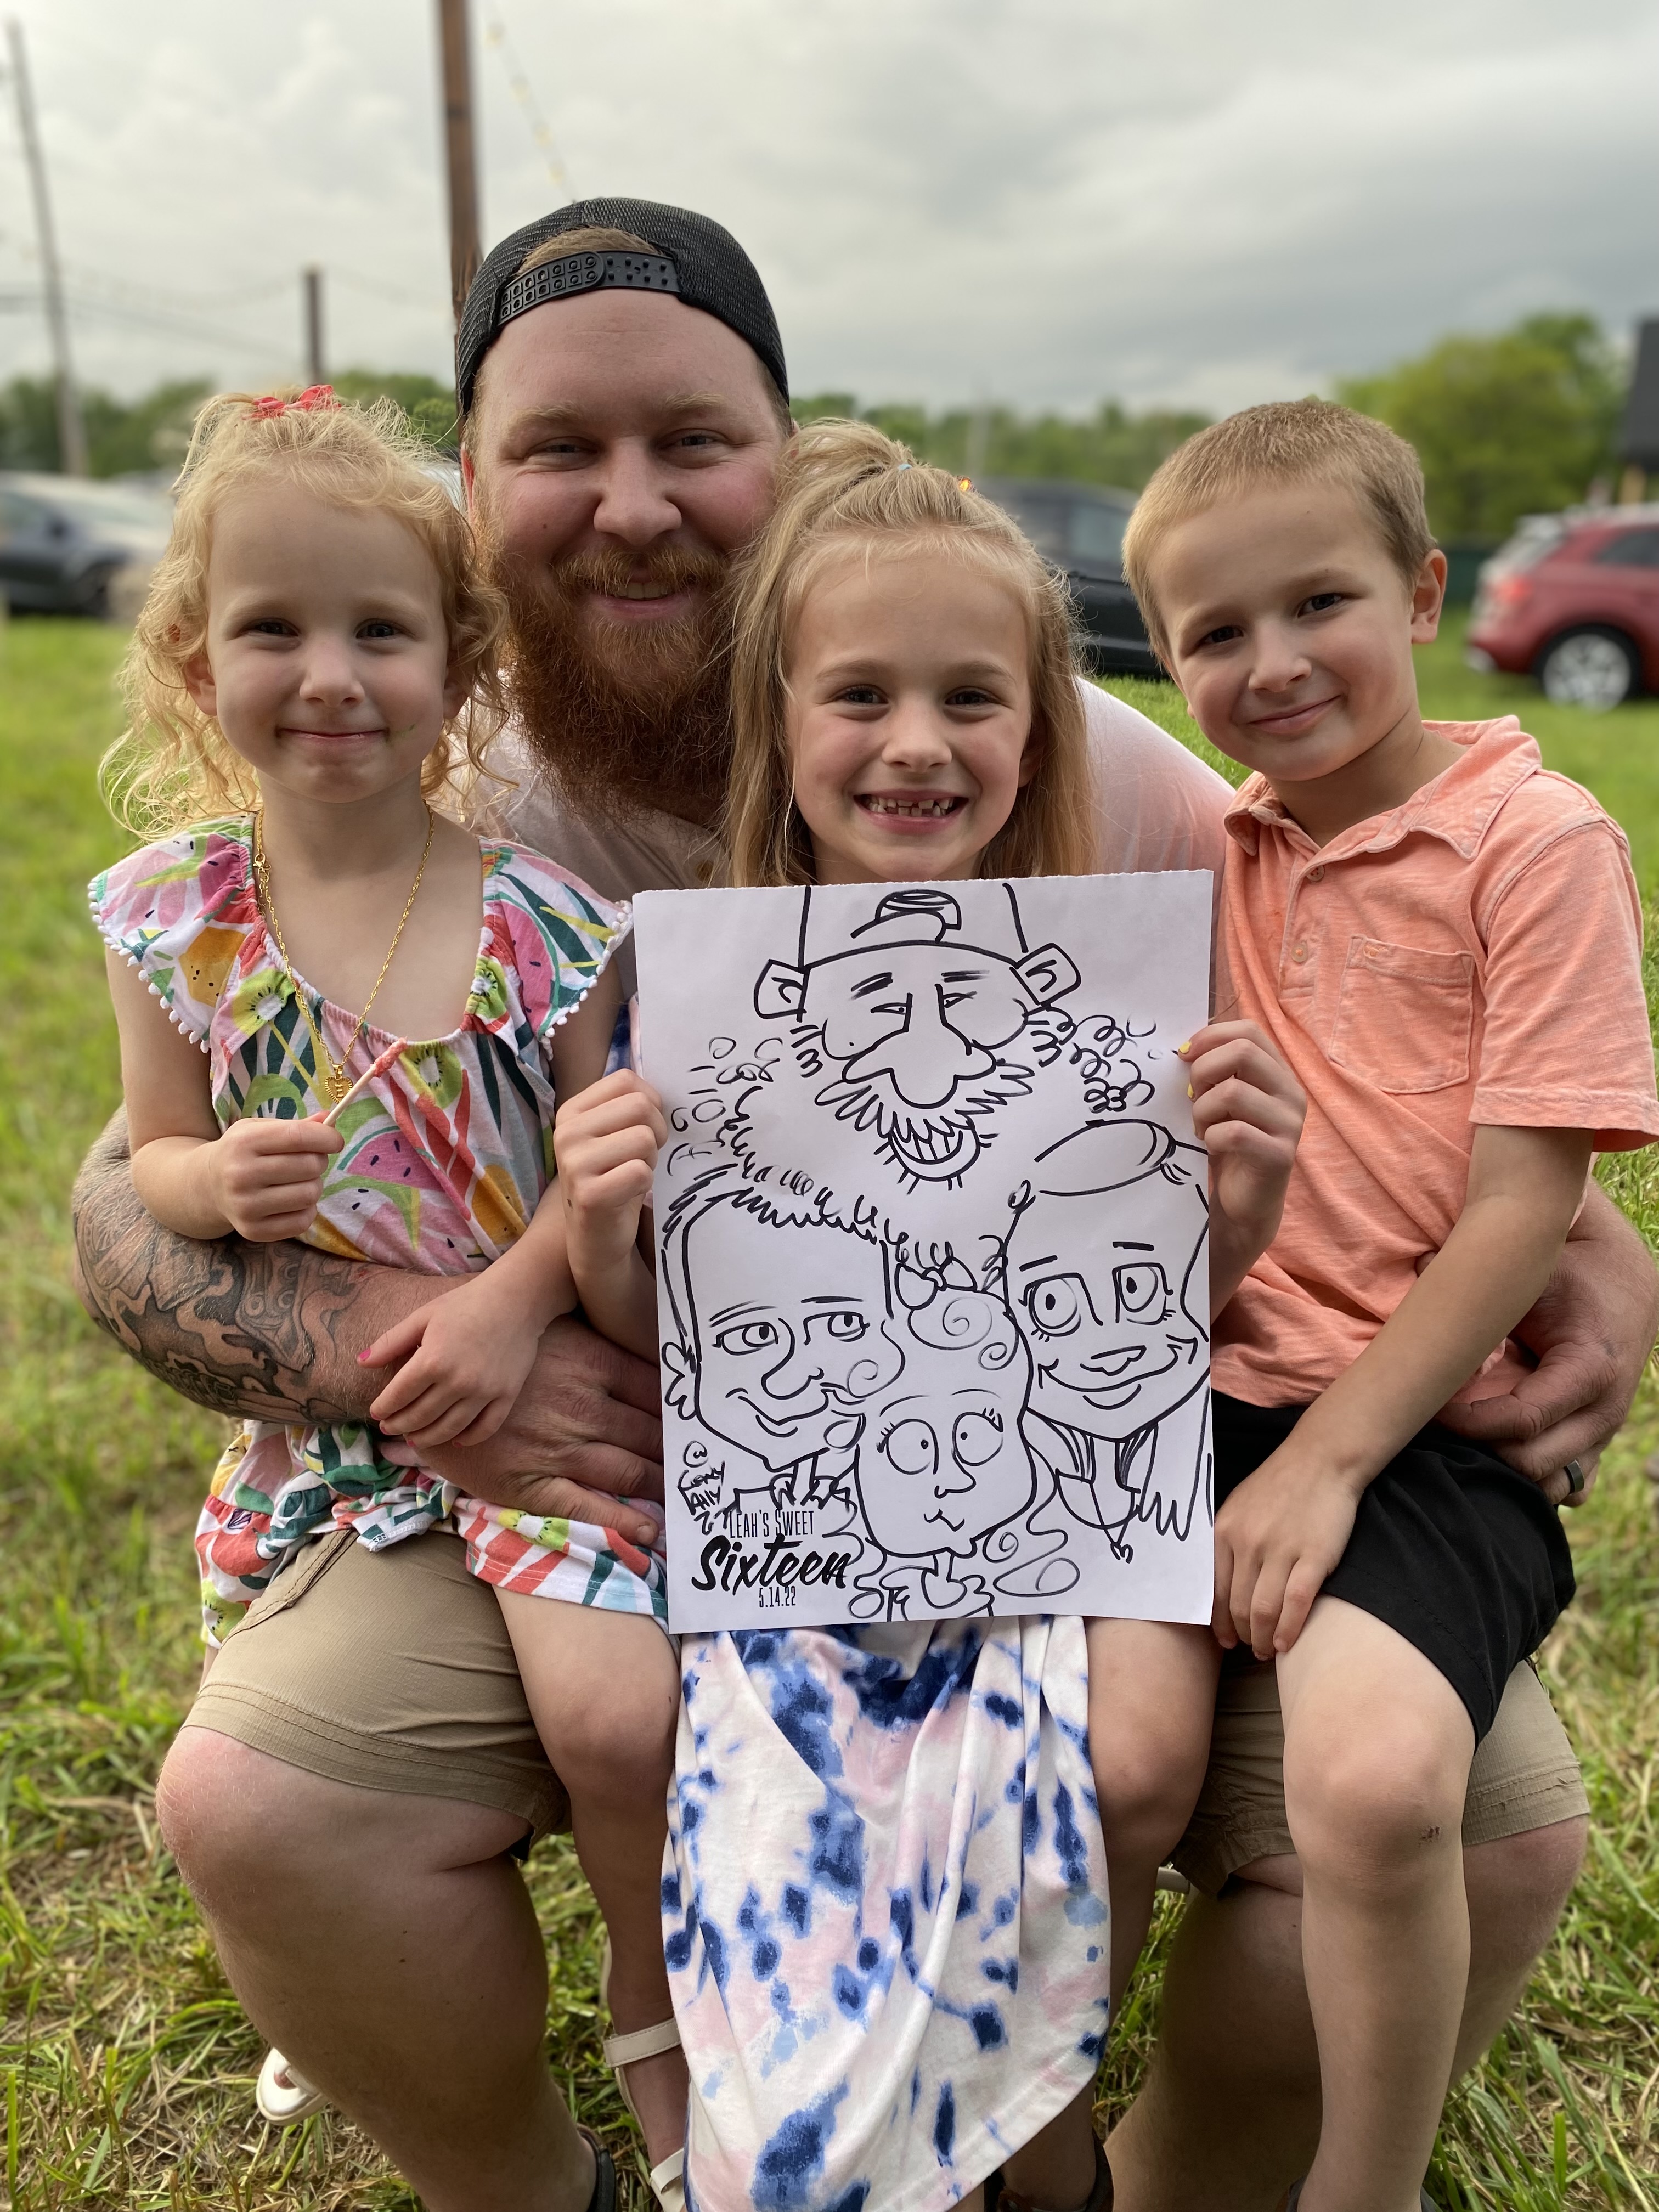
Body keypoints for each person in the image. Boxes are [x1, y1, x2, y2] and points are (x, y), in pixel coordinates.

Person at [64, 199, 1650, 2212]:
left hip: (1073, 1477)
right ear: (474, 491)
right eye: (559, 448)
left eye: (691, 441)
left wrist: (1589, 1238)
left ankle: (1144, 2180)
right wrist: (408, 1337)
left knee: (1485, 1816)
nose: (631, 504)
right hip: (563, 1488)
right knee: (262, 1802)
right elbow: (140, 1174)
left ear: (784, 455)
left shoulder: (1077, 763)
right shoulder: (417, 775)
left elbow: (1362, 1025)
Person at [550, 416, 1304, 2212]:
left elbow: (1157, 1318)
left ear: (1038, 729)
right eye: (861, 697)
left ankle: (1032, 2129)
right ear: (781, 729)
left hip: (1064, 1502)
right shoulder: (694, 993)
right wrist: (601, 1216)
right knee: (794, 1808)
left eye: (971, 699)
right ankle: (902, 2135)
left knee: (1137, 1759)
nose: (916, 743)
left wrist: (1249, 1199)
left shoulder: (1126, 981)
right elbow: (665, 1336)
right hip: (806, 1535)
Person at [1115, 397, 1659, 2212]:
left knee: (1375, 1787)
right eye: (1212, 633)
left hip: (1414, 1420)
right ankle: (1027, 2141)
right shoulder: (1214, 854)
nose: (1270, 665)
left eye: (1318, 603)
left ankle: (1365, 2186)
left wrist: (1329, 1463)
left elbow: (1531, 1206)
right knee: (1077, 1748)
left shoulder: (1536, 837)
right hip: (1184, 1392)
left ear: (1425, 590)